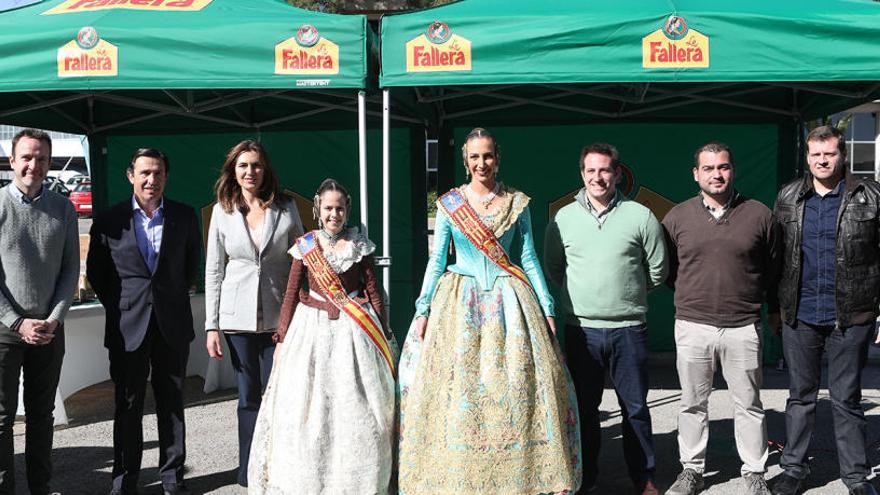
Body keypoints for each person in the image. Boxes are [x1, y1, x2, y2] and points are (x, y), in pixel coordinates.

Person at [398, 128, 580, 495]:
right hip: (459, 301)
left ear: (498, 157)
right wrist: (422, 310)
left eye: (488, 156)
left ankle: (519, 474)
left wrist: (546, 307)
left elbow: (527, 258)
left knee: (516, 386)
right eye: (475, 157)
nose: (482, 163)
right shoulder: (451, 203)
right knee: (457, 388)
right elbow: (438, 260)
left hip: (510, 301)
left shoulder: (517, 202)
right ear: (465, 162)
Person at [248, 179, 396, 494]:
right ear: (318, 209)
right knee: (307, 402)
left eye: (340, 208)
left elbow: (373, 291)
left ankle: (355, 477)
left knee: (354, 402)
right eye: (328, 208)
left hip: (354, 331)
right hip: (310, 331)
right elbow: (291, 293)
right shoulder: (306, 246)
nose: (334, 214)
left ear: (348, 209)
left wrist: (384, 331)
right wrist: (282, 337)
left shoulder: (359, 245)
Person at [544, 142, 667, 495]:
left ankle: (643, 477)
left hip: (629, 329)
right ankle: (586, 477)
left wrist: (627, 295)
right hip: (581, 330)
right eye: (591, 170)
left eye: (604, 170)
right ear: (582, 174)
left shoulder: (640, 216)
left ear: (617, 173)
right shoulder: (564, 218)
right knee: (584, 409)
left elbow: (658, 269)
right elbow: (555, 267)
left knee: (636, 409)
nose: (598, 177)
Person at [662, 142, 779, 495]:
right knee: (692, 403)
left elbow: (773, 270)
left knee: (749, 404)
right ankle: (692, 470)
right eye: (709, 168)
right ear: (696, 174)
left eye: (723, 167)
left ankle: (755, 471)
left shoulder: (759, 214)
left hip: (743, 325)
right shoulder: (677, 217)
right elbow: (669, 270)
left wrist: (769, 309)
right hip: (693, 324)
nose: (717, 174)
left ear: (733, 170)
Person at [769, 125, 880, 495]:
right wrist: (774, 308)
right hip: (800, 315)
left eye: (829, 154)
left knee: (846, 399)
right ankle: (794, 468)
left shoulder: (870, 196)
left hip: (851, 316)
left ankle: (856, 477)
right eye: (815, 154)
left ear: (842, 155)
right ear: (807, 157)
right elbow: (775, 258)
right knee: (800, 396)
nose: (822, 161)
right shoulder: (787, 196)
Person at [87, 148, 202, 495]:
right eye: (144, 173)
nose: (151, 180)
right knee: (128, 405)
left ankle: (172, 478)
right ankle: (125, 480)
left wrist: (167, 298)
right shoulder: (109, 220)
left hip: (172, 325)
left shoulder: (184, 215)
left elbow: (190, 266)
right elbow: (98, 274)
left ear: (166, 176)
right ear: (130, 176)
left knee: (172, 403)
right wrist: (124, 305)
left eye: (158, 173)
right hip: (127, 328)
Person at [203, 140, 303, 487]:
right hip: (237, 320)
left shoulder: (287, 208)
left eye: (256, 165)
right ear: (233, 169)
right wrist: (211, 326)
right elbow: (214, 270)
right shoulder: (222, 210)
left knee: (281, 395)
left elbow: (302, 263)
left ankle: (279, 465)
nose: (250, 172)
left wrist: (302, 313)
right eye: (243, 165)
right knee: (248, 397)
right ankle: (248, 470)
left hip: (280, 319)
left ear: (266, 169)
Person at [0, 129, 79, 495]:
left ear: (49, 163)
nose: (34, 164)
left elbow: (69, 270)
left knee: (41, 416)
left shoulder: (63, 209)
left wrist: (54, 319)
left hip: (48, 329)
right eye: (27, 157)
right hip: (3, 331)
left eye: (42, 158)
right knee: (1, 420)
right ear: (13, 160)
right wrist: (16, 321)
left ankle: (40, 488)